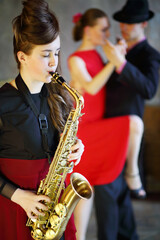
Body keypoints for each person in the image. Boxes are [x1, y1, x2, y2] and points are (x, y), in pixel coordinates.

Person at [0, 0, 85, 240]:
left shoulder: (60, 97)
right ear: (22, 56)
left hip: (53, 208)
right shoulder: (2, 102)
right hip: (15, 207)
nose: (53, 62)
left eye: (56, 52)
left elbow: (63, 145)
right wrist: (18, 196)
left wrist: (76, 148)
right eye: (45, 54)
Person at [67, 8, 142, 240]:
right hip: (87, 130)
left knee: (87, 188)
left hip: (99, 128)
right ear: (89, 30)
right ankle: (133, 174)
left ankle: (131, 173)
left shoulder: (98, 56)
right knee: (83, 192)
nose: (108, 33)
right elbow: (91, 87)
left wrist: (115, 59)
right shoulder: (75, 59)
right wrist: (114, 61)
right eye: (104, 29)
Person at [94, 0, 160, 240]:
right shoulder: (120, 49)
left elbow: (149, 89)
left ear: (143, 24)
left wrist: (120, 63)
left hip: (126, 133)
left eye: (130, 22)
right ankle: (128, 236)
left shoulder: (150, 55)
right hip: (104, 129)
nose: (123, 26)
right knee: (116, 191)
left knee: (108, 189)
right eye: (122, 20)